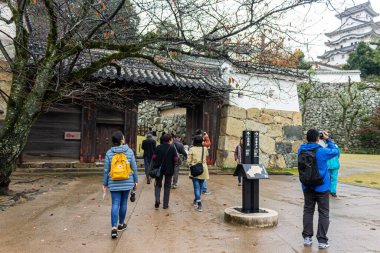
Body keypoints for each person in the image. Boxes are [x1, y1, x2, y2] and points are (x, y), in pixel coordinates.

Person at [298, 129, 339, 249]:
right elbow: (335, 151)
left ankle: (307, 238)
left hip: (306, 185)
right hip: (322, 187)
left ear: (306, 138)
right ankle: (322, 240)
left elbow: (305, 146)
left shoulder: (301, 149)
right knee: (324, 213)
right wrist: (327, 139)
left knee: (308, 211)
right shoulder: (322, 151)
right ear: (318, 138)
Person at [102, 131, 138, 239]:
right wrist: (136, 180)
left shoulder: (109, 153)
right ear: (122, 140)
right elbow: (134, 168)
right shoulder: (129, 151)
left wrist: (104, 183)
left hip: (113, 182)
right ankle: (121, 225)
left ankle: (113, 228)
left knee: (115, 204)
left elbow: (106, 170)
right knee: (123, 203)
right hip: (127, 181)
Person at [152, 133, 178, 209]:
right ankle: (165, 205)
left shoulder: (158, 147)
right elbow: (176, 159)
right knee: (167, 186)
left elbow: (153, 158)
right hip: (169, 169)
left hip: (158, 169)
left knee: (158, 185)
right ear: (170, 140)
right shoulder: (172, 148)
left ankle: (157, 200)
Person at [187, 135, 209, 212]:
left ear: (194, 141)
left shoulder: (191, 149)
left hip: (195, 169)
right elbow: (207, 156)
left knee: (196, 187)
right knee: (200, 186)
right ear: (201, 141)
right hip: (203, 169)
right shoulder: (205, 149)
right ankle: (196, 200)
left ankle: (199, 204)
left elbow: (188, 161)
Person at [195, 129, 211, 194]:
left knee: (197, 177)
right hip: (202, 163)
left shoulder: (195, 141)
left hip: (195, 163)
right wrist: (206, 137)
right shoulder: (201, 142)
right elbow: (209, 144)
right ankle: (203, 189)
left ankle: (199, 189)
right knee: (203, 176)